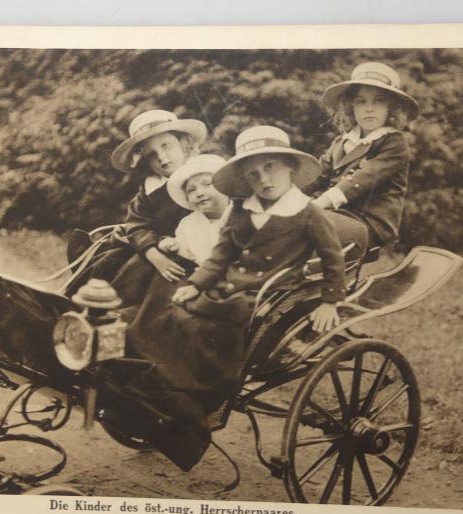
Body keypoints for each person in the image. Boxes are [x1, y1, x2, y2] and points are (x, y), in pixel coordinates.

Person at [119, 125, 346, 471]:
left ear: (290, 168)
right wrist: (195, 283)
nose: (264, 180)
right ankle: (163, 382)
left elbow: (333, 258)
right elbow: (220, 254)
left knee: (201, 328)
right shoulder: (242, 210)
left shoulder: (308, 212)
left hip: (268, 292)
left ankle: (200, 390)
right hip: (228, 284)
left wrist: (330, 301)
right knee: (176, 314)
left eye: (270, 168)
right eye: (253, 174)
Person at [71, 109, 207, 303]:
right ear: (144, 160)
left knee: (156, 282)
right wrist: (152, 254)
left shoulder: (204, 175)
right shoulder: (151, 189)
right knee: (114, 264)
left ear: (183, 143)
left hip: (197, 250)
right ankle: (89, 305)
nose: (161, 157)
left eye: (166, 145)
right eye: (152, 154)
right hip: (155, 251)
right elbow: (136, 224)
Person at [309, 61, 419, 259]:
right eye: (361, 101)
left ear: (391, 108)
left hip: (369, 223)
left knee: (304, 223)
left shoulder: (394, 143)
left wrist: (317, 205)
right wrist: (286, 197)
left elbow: (360, 181)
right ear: (350, 106)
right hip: (338, 215)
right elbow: (317, 177)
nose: (369, 108)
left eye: (378, 101)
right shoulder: (342, 142)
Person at [157, 154, 231, 266]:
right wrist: (174, 245)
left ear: (224, 186)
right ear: (186, 198)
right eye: (191, 190)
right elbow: (185, 247)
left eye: (207, 184)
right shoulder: (187, 224)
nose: (199, 193)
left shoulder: (242, 214)